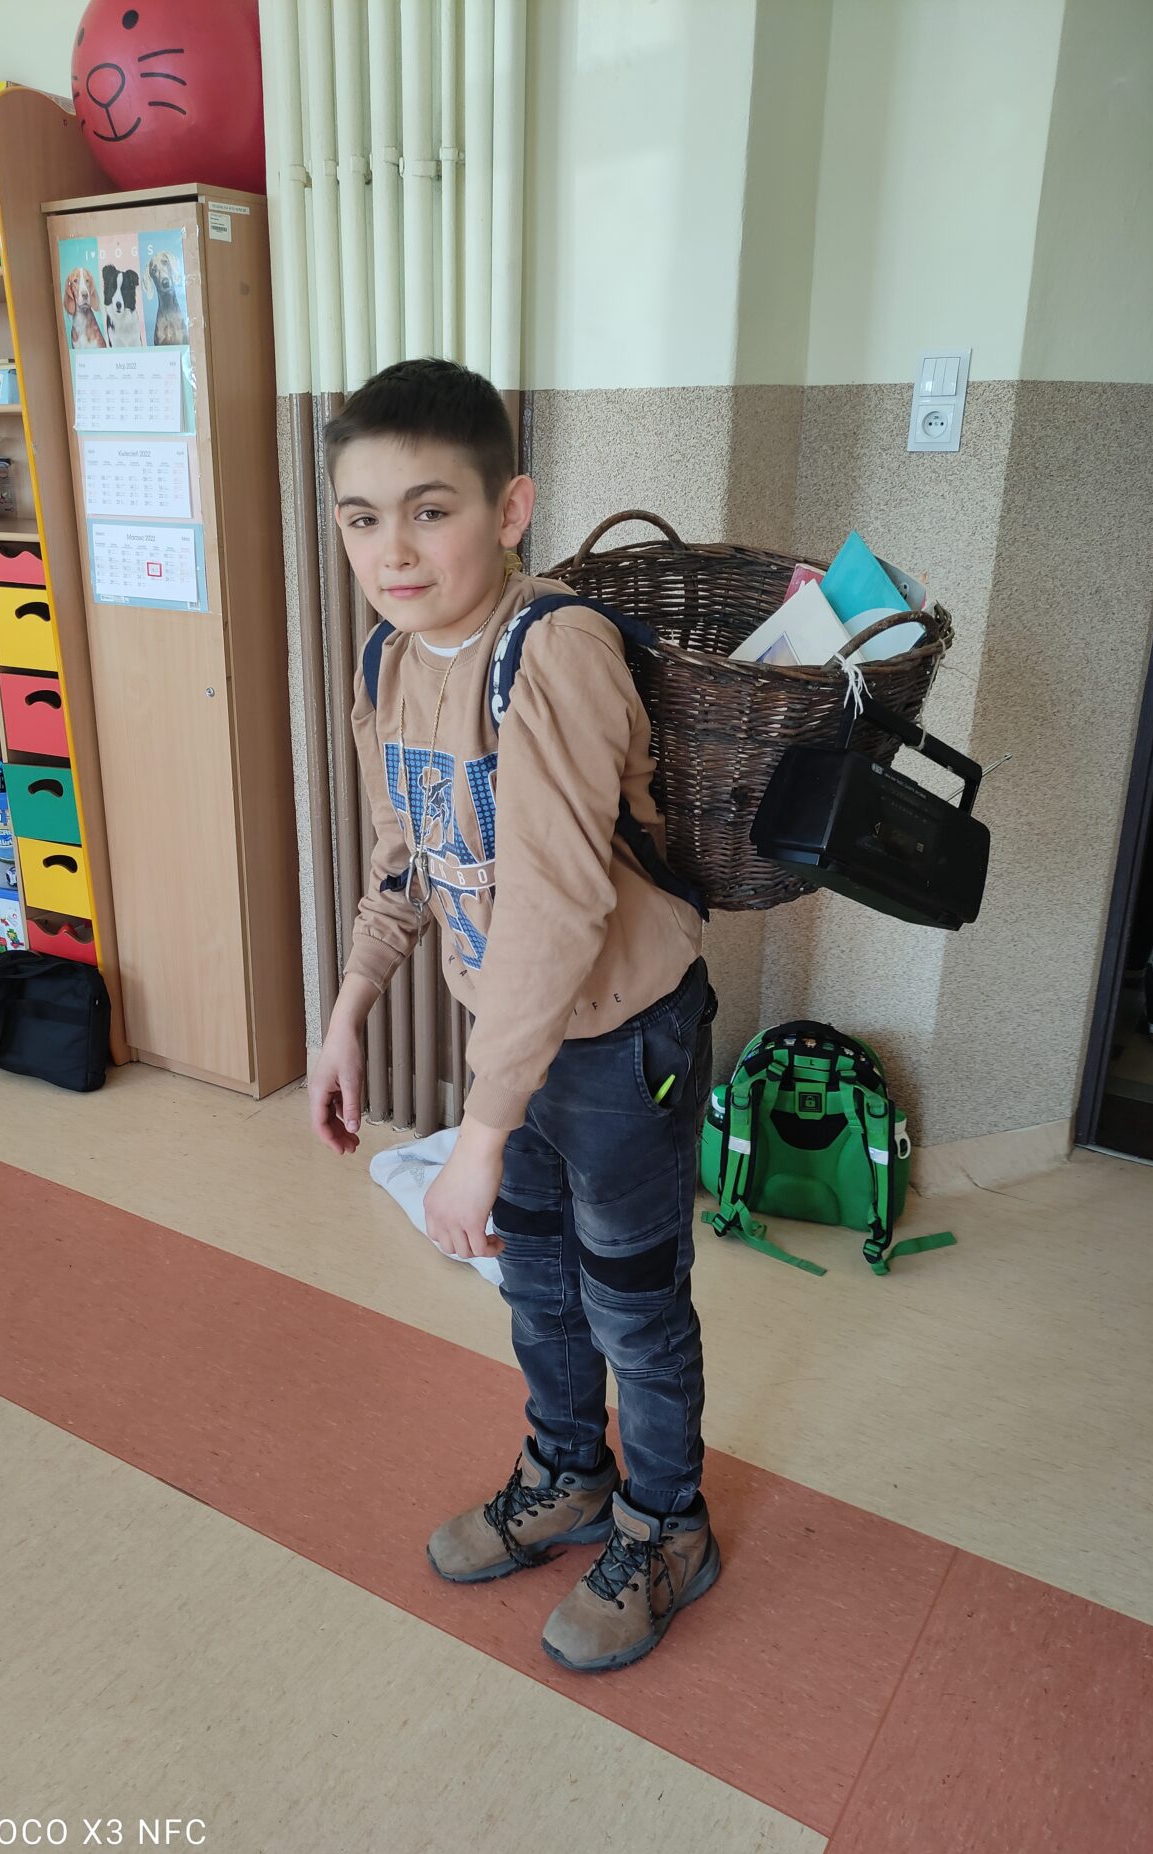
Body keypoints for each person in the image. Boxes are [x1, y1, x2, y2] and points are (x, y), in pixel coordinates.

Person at [307, 358, 720, 1673]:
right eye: (362, 517)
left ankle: (667, 1524)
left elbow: (553, 906)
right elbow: (405, 852)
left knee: (630, 1300)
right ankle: (567, 1474)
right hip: (514, 1045)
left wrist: (477, 1133)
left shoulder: (556, 654)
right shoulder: (389, 656)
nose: (392, 550)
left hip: (622, 1044)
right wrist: (351, 1007)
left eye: (429, 511)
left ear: (511, 509)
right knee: (534, 1279)